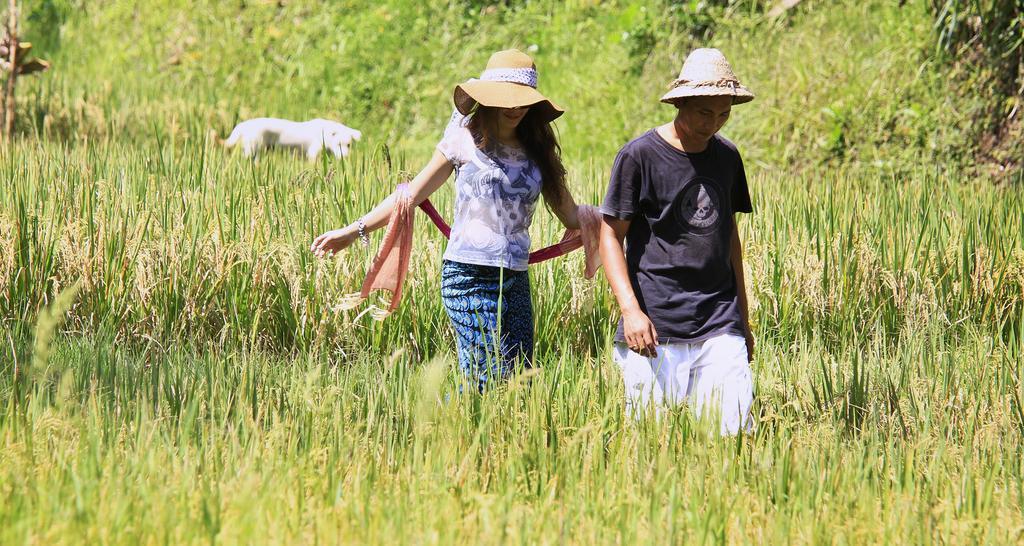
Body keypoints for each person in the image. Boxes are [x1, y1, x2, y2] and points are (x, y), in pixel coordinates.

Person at [311, 49, 582, 392]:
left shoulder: (537, 152)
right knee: (484, 381)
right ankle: (463, 437)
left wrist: (623, 216)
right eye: (506, 99)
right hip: (468, 275)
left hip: (515, 277)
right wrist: (353, 231)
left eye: (522, 101)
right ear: (489, 99)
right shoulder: (464, 140)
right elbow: (410, 196)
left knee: (518, 380)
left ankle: (503, 442)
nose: (514, 108)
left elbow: (571, 214)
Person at [598, 48, 756, 434]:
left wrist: (744, 319)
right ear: (681, 103)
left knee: (732, 434)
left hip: (719, 317)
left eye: (724, 113)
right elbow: (609, 236)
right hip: (656, 321)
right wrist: (630, 312)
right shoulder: (639, 156)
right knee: (651, 439)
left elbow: (729, 237)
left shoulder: (728, 157)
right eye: (705, 113)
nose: (713, 124)